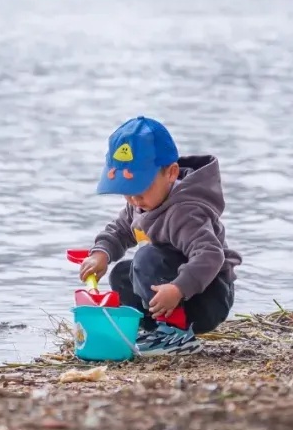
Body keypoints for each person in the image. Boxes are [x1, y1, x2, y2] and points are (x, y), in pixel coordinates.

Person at [79, 115, 241, 356]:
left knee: (146, 258)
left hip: (208, 296)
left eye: (140, 188)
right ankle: (153, 329)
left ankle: (176, 335)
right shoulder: (141, 203)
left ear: (171, 173)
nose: (133, 199)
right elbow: (120, 229)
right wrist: (101, 253)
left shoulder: (186, 211)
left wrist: (178, 289)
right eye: (126, 192)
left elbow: (210, 255)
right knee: (123, 273)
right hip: (173, 288)